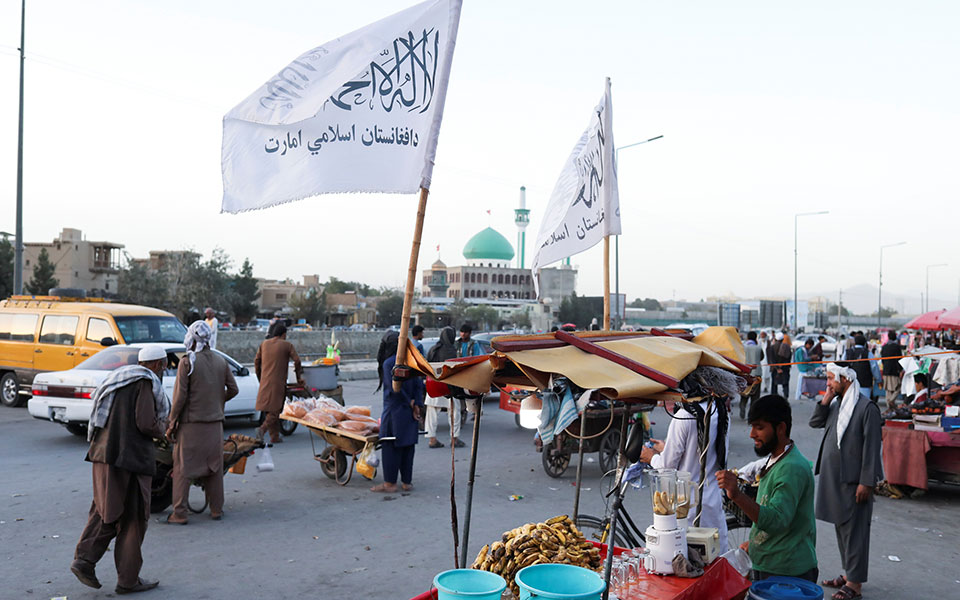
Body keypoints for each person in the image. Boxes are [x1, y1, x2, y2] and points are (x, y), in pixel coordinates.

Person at [72, 345, 169, 594]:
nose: (166, 369)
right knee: (133, 518)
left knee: (104, 509)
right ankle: (128, 580)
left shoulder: (117, 378)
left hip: (102, 454)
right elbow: (145, 422)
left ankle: (84, 561)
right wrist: (164, 432)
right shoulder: (144, 383)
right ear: (157, 364)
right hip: (130, 459)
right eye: (165, 364)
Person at [716, 395, 817, 582]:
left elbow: (777, 521)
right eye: (752, 426)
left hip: (786, 571)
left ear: (780, 428)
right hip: (771, 563)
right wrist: (754, 544)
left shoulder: (791, 468)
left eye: (759, 427)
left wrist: (736, 494)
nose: (752, 434)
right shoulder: (776, 459)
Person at [810, 363, 882, 600]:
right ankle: (849, 572)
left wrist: (866, 482)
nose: (828, 383)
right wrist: (827, 396)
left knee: (856, 531)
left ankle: (855, 584)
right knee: (842, 529)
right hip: (835, 479)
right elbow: (815, 422)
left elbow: (872, 448)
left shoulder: (866, 408)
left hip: (854, 481)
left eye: (831, 378)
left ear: (845, 378)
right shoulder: (837, 403)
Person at [165, 321, 239, 524]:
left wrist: (171, 423)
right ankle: (216, 510)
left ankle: (179, 513)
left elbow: (180, 398)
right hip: (214, 425)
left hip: (191, 426)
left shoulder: (187, 362)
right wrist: (216, 401)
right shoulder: (220, 361)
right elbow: (233, 390)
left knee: (182, 469)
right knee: (214, 468)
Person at [640, 398, 730, 549]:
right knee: (715, 559)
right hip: (713, 503)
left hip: (689, 509)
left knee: (689, 564)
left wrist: (651, 458)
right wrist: (666, 448)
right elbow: (701, 453)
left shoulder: (684, 415)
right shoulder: (718, 409)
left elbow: (665, 467)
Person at [371, 332, 425, 493]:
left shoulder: (389, 364)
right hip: (410, 412)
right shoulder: (410, 362)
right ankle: (407, 482)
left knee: (390, 445)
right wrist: (416, 405)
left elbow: (395, 388)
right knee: (408, 446)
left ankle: (390, 483)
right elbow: (418, 385)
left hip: (395, 410)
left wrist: (409, 402)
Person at [254, 323, 302, 443]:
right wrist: (298, 377)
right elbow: (297, 360)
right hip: (277, 383)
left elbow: (256, 361)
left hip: (265, 381)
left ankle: (274, 437)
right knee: (275, 411)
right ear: (284, 334)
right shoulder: (287, 345)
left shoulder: (264, 344)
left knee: (268, 410)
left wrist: (260, 377)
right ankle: (262, 429)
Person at [424, 326, 460, 448]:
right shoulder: (451, 350)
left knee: (431, 412)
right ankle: (454, 438)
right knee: (455, 412)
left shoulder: (433, 349)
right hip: (448, 386)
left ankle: (432, 439)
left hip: (433, 384)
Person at [844, 334, 875, 401]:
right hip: (864, 383)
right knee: (864, 403)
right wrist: (878, 379)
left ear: (854, 342)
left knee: (850, 403)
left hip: (849, 383)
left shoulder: (847, 352)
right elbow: (874, 367)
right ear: (864, 343)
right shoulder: (868, 353)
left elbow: (842, 366)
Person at [742, 331, 763, 418]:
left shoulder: (743, 347)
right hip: (757, 374)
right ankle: (751, 414)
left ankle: (742, 407)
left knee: (744, 393)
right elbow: (762, 357)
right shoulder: (758, 348)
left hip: (745, 373)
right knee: (755, 396)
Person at [880, 331, 903, 408]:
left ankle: (889, 407)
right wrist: (900, 370)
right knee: (898, 388)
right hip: (894, 371)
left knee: (888, 389)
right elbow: (899, 360)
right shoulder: (897, 347)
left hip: (886, 371)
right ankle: (891, 401)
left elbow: (882, 360)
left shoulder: (884, 347)